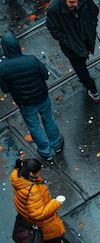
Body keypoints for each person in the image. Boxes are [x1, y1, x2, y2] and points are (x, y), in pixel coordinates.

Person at [0, 32, 64, 161]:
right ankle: (56, 144)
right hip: (42, 97)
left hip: (25, 104)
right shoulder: (32, 59)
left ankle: (45, 152)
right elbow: (45, 75)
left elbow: (5, 89)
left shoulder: (3, 67)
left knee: (34, 127)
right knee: (48, 120)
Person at [10, 156, 77, 243]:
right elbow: (39, 214)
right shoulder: (33, 191)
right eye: (38, 172)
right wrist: (56, 203)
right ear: (31, 173)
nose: (40, 174)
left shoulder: (18, 177)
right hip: (43, 225)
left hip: (28, 219)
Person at [46, 0, 100, 103]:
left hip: (86, 39)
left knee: (82, 64)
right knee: (81, 70)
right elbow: (53, 28)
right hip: (72, 47)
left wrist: (92, 27)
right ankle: (93, 90)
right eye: (72, 2)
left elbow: (94, 12)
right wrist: (67, 41)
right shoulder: (54, 9)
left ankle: (90, 87)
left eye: (76, 1)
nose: (75, 5)